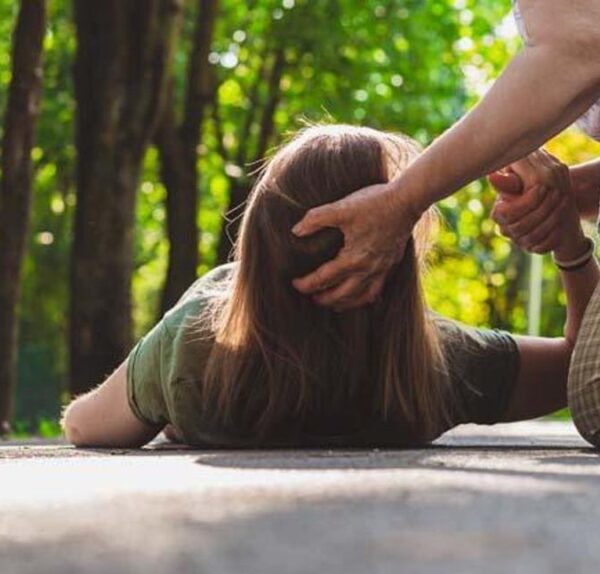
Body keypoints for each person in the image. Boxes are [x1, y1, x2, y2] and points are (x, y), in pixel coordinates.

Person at [62, 125, 598, 449]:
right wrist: (572, 248)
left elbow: (83, 427)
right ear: (394, 261)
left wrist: (167, 388)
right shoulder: (437, 365)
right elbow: (582, 371)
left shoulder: (193, 346)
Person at [290, 1, 600, 446]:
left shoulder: (191, 353)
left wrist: (403, 199)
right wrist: (576, 200)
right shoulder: (445, 364)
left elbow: (578, 47)